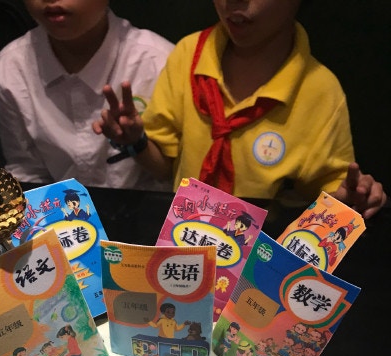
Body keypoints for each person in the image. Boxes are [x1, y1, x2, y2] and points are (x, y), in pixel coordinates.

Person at [93, 0, 387, 221]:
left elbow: (329, 191)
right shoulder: (188, 55)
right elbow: (165, 165)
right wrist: (136, 141)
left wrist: (352, 197)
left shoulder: (320, 90)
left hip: (261, 257)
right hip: (183, 241)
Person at [0, 0, 174, 191]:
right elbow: (27, 170)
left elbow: (174, 174)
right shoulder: (12, 66)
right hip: (59, 206)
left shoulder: (160, 63)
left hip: (146, 206)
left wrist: (137, 143)